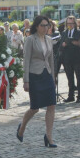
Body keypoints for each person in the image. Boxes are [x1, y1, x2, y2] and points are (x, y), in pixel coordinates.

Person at [16, 16, 57, 148]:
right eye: (43, 25)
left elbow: (51, 60)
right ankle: (22, 127)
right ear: (37, 26)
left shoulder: (49, 40)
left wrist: (53, 76)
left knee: (51, 105)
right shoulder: (30, 39)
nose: (46, 28)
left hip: (47, 75)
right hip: (34, 76)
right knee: (35, 108)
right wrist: (26, 80)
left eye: (48, 25)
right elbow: (26, 60)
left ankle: (49, 136)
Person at [60, 16, 80, 103]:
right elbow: (61, 45)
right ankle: (71, 96)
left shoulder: (79, 32)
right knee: (70, 78)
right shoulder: (64, 33)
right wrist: (63, 44)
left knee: (78, 76)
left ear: (75, 24)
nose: (70, 25)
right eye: (68, 23)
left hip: (77, 57)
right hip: (67, 58)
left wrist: (78, 43)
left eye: (71, 23)